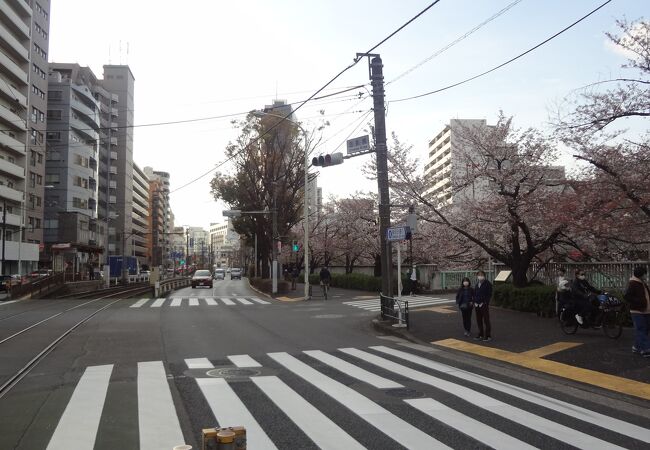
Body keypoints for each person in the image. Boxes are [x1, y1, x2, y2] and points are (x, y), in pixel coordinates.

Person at [624, 267, 650, 357]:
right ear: (640, 274)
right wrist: (639, 301)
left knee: (645, 329)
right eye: (644, 273)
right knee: (641, 329)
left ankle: (636, 346)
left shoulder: (642, 283)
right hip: (637, 311)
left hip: (646, 310)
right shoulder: (633, 283)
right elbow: (627, 296)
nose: (646, 275)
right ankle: (645, 349)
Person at [474, 270, 493, 341]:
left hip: (483, 305)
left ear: (484, 276)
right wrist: (475, 302)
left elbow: (489, 294)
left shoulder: (488, 284)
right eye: (479, 275)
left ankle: (488, 336)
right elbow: (475, 294)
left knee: (486, 320)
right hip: (477, 305)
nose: (480, 276)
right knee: (479, 320)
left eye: (481, 275)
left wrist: (485, 302)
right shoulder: (477, 284)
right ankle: (480, 334)